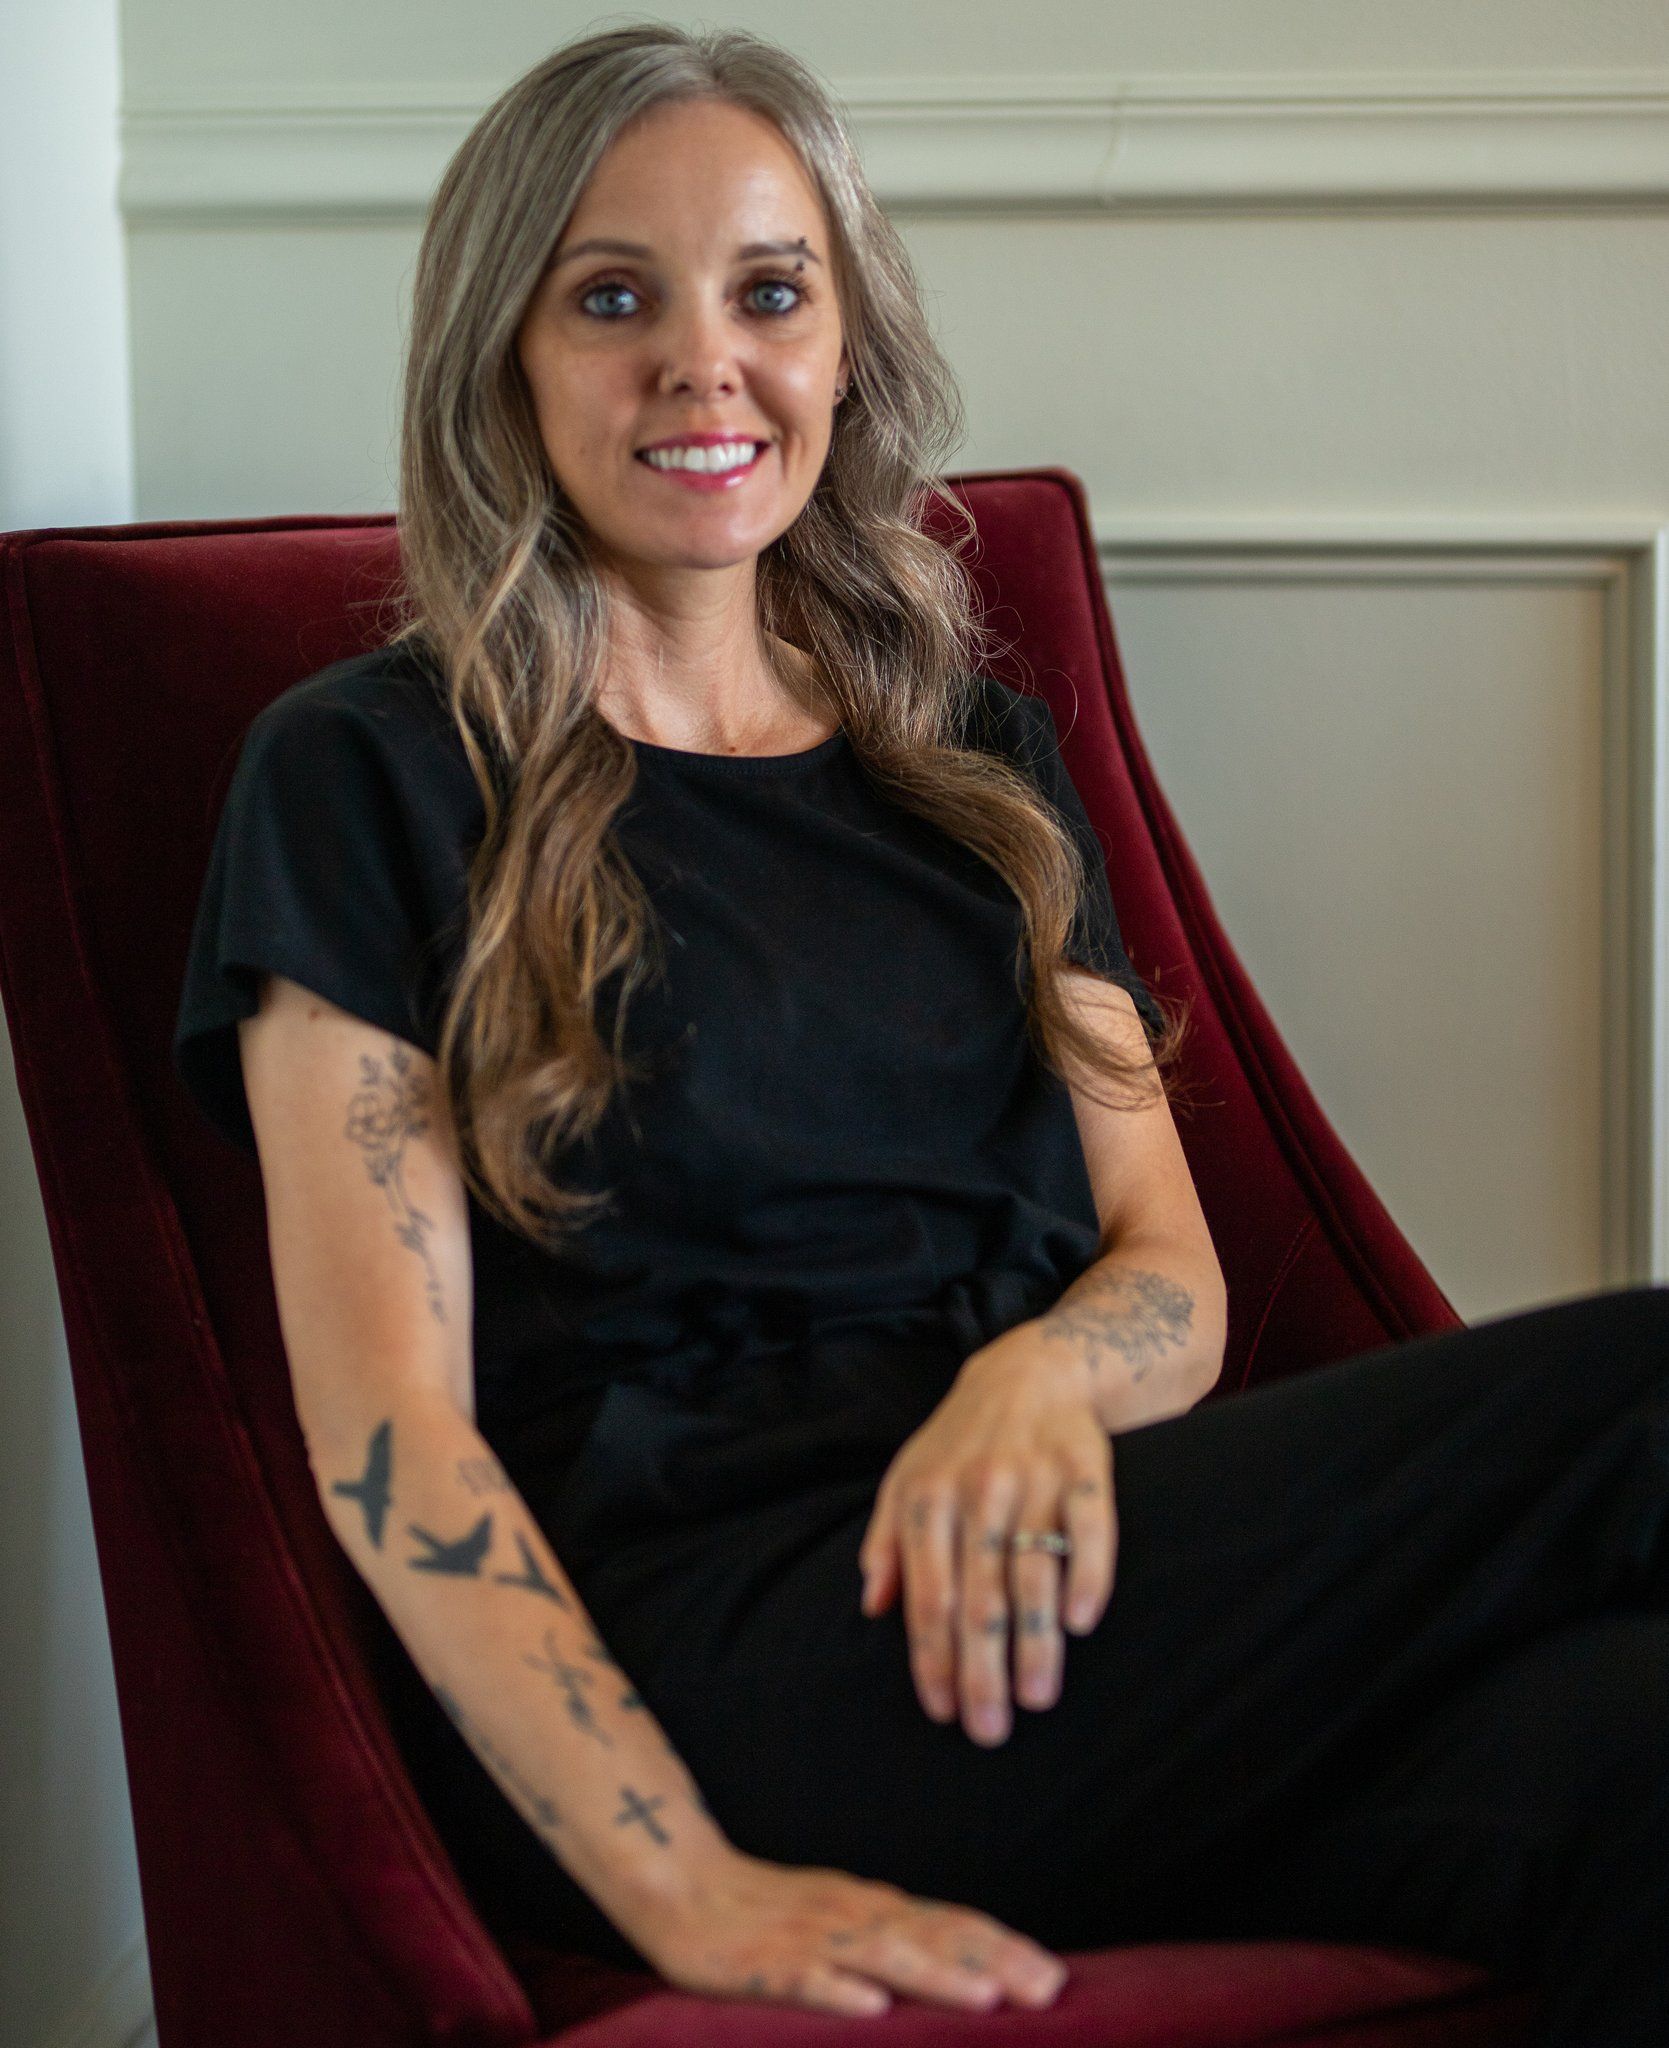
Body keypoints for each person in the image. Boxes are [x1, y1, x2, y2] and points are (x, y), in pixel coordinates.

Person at [172, 24, 1668, 2040]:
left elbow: (1170, 1260)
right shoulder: (364, 776)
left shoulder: (973, 764)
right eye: (612, 296)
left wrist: (1037, 1382)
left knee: (1628, 1752)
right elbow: (390, 1440)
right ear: (501, 360)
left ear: (845, 342)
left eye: (770, 292)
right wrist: (682, 1883)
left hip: (1053, 1606)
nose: (704, 363)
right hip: (718, 1664)